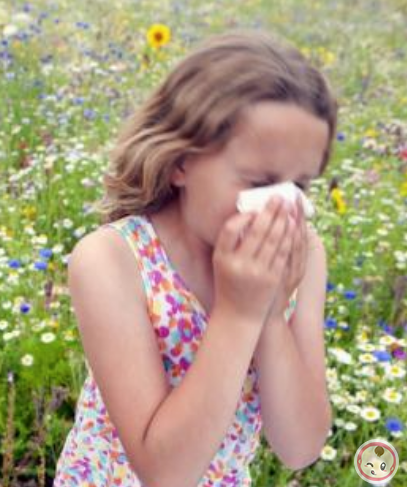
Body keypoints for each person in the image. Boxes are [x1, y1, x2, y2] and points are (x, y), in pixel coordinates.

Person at [54, 28, 337, 487]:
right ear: (181, 160)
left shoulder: (303, 254)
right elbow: (164, 472)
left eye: (299, 186)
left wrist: (270, 315)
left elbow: (300, 447)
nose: (282, 207)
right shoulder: (113, 259)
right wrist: (240, 312)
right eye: (258, 181)